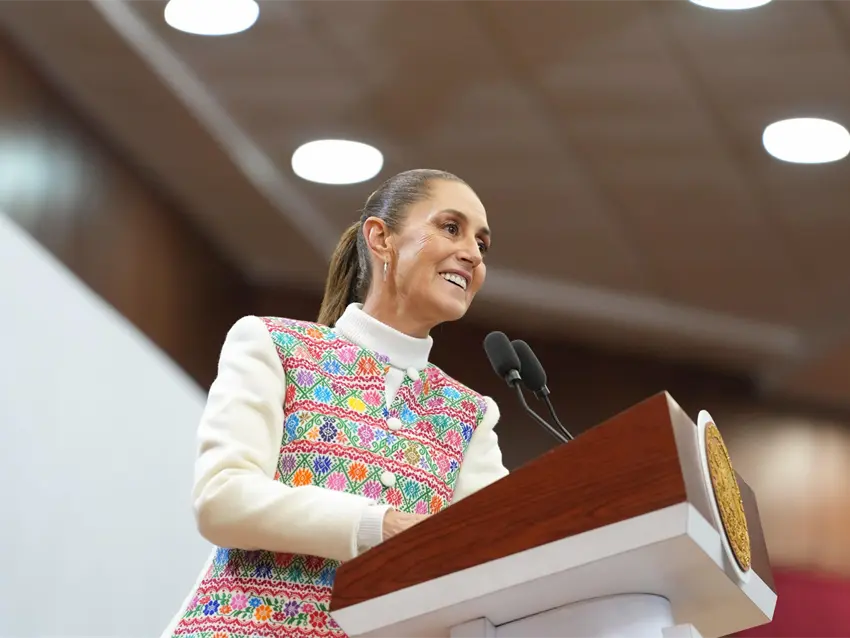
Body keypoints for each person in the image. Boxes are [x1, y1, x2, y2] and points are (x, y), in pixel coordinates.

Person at [161, 168, 510, 638]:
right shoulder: (274, 345)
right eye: (451, 228)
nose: (472, 253)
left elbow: (495, 554)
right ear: (381, 238)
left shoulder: (470, 415)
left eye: (482, 245)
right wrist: (376, 525)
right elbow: (222, 498)